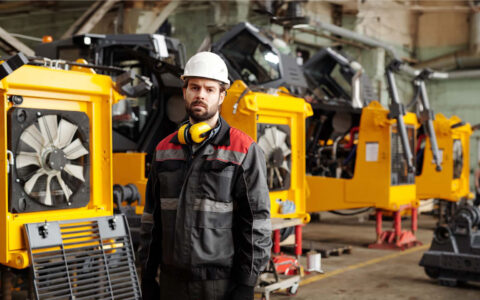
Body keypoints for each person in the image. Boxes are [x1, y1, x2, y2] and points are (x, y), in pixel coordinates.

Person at [141, 51, 272, 300]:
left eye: (210, 89)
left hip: (219, 285)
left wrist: (247, 282)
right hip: (171, 283)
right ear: (184, 91)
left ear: (222, 95)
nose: (201, 94)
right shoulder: (164, 149)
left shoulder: (243, 150)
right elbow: (151, 218)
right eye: (195, 87)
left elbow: (256, 221)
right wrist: (147, 275)